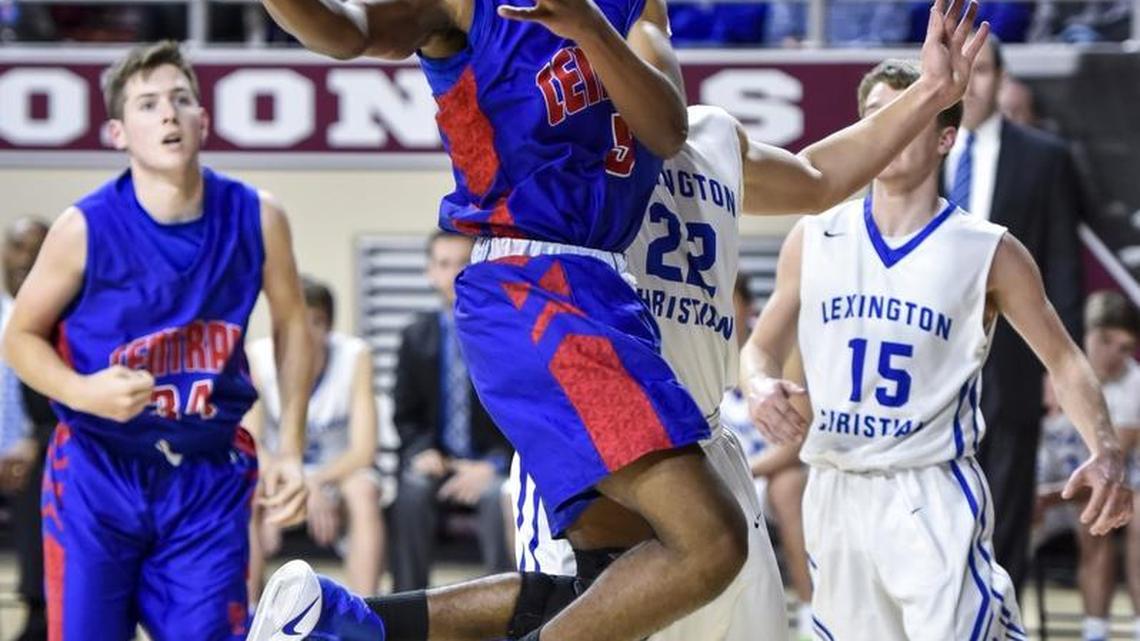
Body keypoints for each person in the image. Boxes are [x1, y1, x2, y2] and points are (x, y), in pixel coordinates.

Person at [249, 1, 989, 641]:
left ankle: (350, 622)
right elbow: (352, 30)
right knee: (698, 548)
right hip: (576, 369)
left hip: (687, 430)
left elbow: (819, 176)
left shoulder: (705, 135)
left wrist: (930, 92)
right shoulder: (559, 132)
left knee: (604, 590)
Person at [742, 57, 1131, 641]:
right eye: (878, 118)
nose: (891, 130)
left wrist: (1103, 449)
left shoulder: (988, 249)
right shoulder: (813, 236)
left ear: (946, 136)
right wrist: (758, 383)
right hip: (836, 489)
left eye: (910, 116)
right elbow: (759, 348)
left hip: (930, 492)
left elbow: (1065, 359)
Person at [1, 40, 312, 641]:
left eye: (181, 99)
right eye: (147, 104)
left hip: (205, 473)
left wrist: (291, 447)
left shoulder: (257, 215)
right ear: (118, 133)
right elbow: (18, 337)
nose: (168, 113)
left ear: (203, 119)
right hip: (99, 471)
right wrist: (81, 390)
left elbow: (294, 323)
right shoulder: (82, 228)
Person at [943, 35, 1087, 593]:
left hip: (1016, 349)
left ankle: (997, 606)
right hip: (932, 345)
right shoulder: (922, 149)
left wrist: (1060, 363)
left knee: (1008, 487)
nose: (971, 82)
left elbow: (1064, 265)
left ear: (1002, 81)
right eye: (962, 70)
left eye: (982, 71)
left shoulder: (1044, 157)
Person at [247, 276, 388, 597]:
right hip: (278, 475)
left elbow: (363, 451)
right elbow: (252, 444)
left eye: (312, 322)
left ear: (329, 327)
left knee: (364, 491)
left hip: (338, 473)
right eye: (291, 321)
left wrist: (313, 483)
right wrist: (281, 486)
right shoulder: (257, 357)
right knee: (247, 493)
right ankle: (249, 612)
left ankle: (367, 613)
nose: (302, 333)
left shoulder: (355, 356)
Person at [391, 231, 513, 591]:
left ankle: (506, 612)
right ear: (431, 272)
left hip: (492, 462)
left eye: (464, 264)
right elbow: (405, 415)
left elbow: (522, 417)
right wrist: (421, 450)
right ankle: (407, 607)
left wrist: (493, 466)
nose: (455, 274)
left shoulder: (506, 336)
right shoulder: (416, 336)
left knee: (497, 499)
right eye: (444, 265)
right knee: (410, 492)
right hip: (440, 462)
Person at [1036, 290, 1140, 641]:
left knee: (1102, 513)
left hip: (1093, 493)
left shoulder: (1133, 384)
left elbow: (1109, 469)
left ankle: (1099, 631)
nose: (1113, 354)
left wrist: (1044, 498)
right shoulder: (1047, 370)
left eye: (1125, 347)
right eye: (1106, 340)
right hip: (1049, 490)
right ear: (1085, 334)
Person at [717, 274, 813, 639]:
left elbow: (798, 440)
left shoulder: (776, 351)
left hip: (762, 472)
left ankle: (810, 611)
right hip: (716, 472)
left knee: (788, 486)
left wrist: (747, 471)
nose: (721, 310)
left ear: (749, 307)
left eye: (730, 300)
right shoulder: (696, 345)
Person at [0, 217, 50, 641]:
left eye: (38, 249)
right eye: (18, 247)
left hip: (34, 463)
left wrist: (32, 441)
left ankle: (41, 612)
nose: (27, 258)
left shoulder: (62, 326)